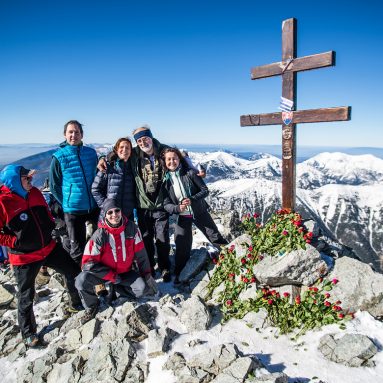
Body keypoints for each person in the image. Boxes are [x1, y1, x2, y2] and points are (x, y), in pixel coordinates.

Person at [0, 165, 82, 348]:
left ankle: (74, 303)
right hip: (25, 257)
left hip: (49, 247)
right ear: (14, 181)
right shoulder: (3, 201)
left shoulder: (35, 192)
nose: (31, 181)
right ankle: (28, 333)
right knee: (26, 294)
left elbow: (45, 212)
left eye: (30, 178)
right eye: (26, 179)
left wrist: (50, 226)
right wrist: (14, 242)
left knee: (74, 270)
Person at [75, 199, 157, 324]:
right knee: (81, 281)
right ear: (105, 215)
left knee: (142, 289)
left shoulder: (132, 229)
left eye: (117, 210)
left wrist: (147, 274)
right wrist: (111, 276)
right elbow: (87, 263)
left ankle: (117, 290)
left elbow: (141, 255)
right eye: (110, 212)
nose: (114, 215)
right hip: (104, 275)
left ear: (121, 211)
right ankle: (92, 306)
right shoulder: (99, 235)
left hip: (125, 273)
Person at [161, 147, 228, 284]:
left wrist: (192, 199)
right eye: (169, 159)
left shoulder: (190, 173)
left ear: (179, 159)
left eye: (174, 158)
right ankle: (180, 274)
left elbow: (205, 190)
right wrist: (176, 208)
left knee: (214, 236)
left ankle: (230, 259)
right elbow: (166, 204)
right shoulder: (165, 181)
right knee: (182, 246)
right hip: (182, 216)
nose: (172, 161)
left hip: (199, 212)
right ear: (164, 162)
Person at [49, 120, 99, 265]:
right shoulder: (59, 157)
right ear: (65, 134)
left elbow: (97, 176)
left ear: (82, 135)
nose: (73, 135)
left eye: (77, 132)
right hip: (73, 209)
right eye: (70, 132)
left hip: (93, 206)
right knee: (77, 248)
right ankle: (78, 279)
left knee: (96, 244)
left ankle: (95, 275)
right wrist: (66, 202)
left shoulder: (90, 153)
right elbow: (54, 185)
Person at [92, 137, 136, 221]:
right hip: (110, 216)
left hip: (127, 216)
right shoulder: (108, 166)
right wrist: (106, 206)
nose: (124, 150)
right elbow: (95, 189)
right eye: (121, 147)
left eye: (127, 148)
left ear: (131, 151)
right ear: (116, 150)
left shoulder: (133, 168)